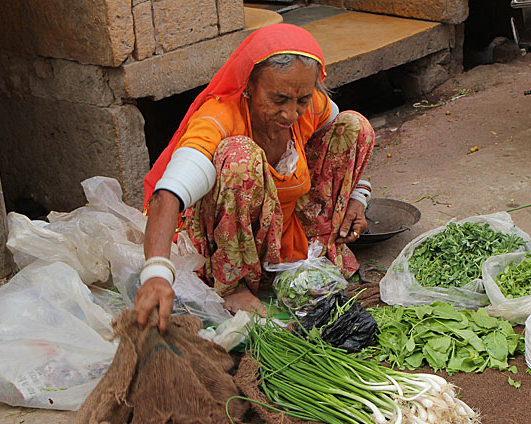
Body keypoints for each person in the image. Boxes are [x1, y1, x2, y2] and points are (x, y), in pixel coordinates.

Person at [134, 24, 375, 331]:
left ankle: (314, 253)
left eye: (301, 99)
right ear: (248, 85)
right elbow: (167, 194)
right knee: (240, 159)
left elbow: (341, 145)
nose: (291, 114)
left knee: (353, 126)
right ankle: (234, 286)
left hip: (284, 226)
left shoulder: (310, 106)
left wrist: (357, 197)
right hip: (228, 236)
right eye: (278, 99)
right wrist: (156, 273)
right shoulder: (220, 118)